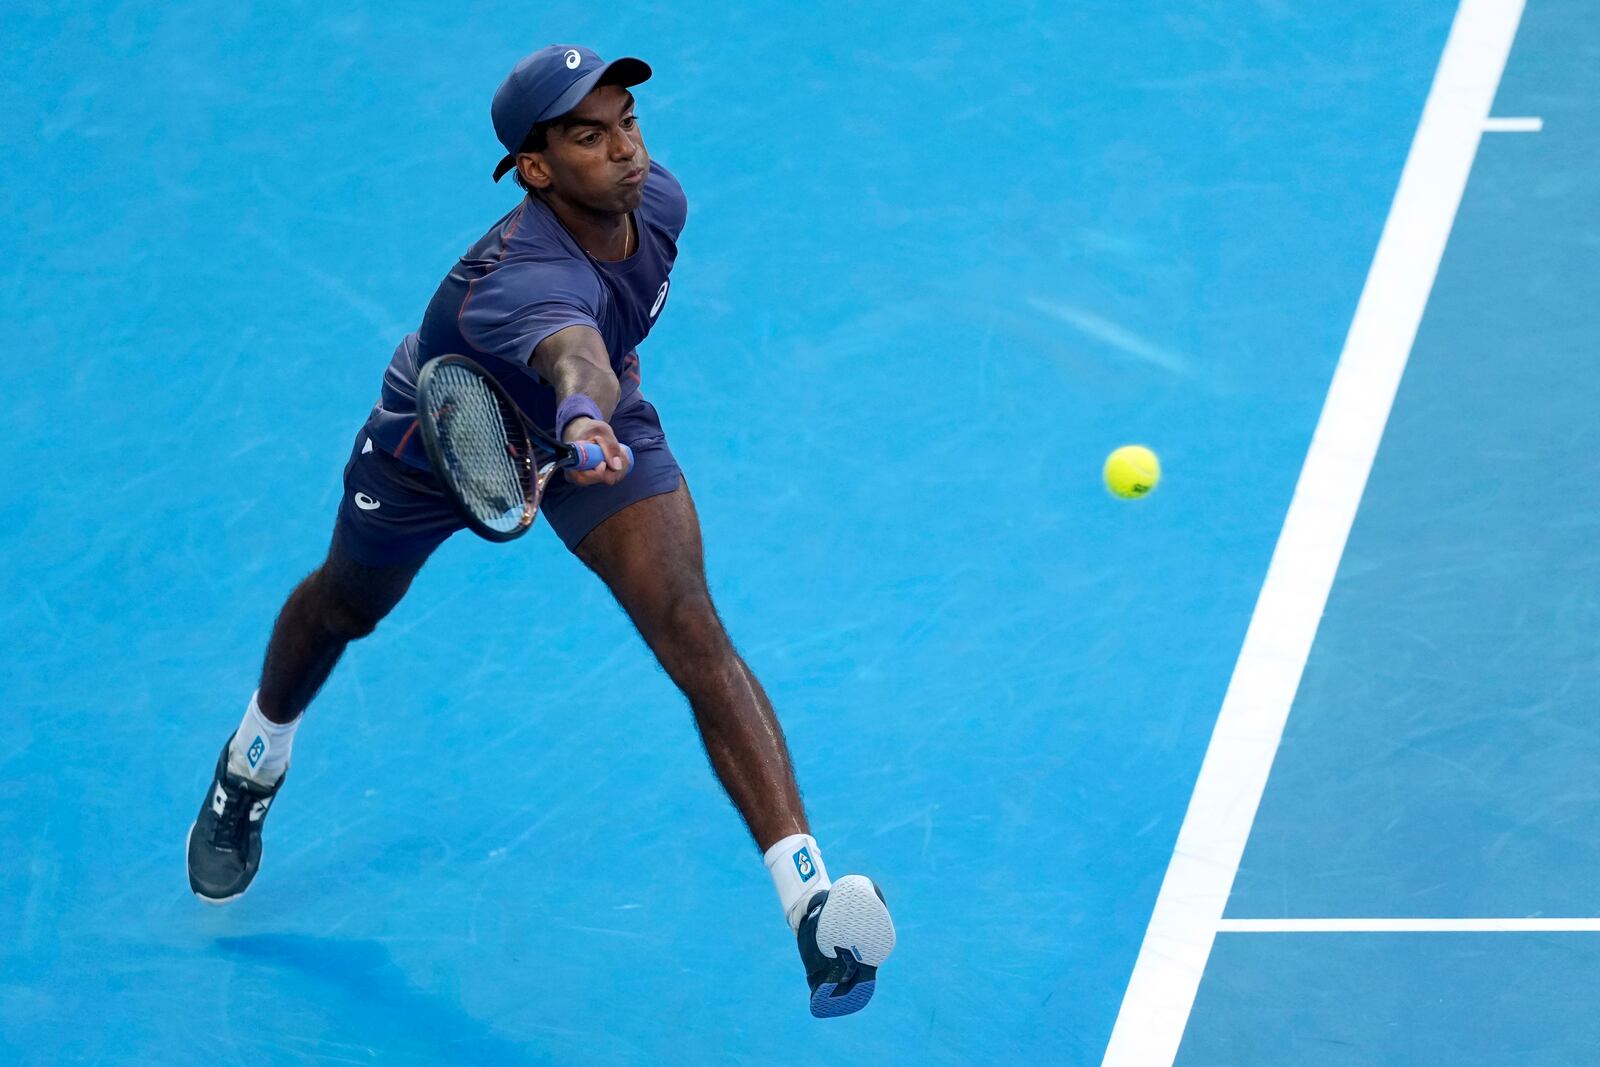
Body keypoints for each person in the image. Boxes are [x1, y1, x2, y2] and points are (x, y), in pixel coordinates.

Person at [184, 44, 896, 1018]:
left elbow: (608, 354)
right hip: (440, 443)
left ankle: (809, 903)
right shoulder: (516, 278)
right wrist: (582, 412)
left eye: (628, 122)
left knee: (691, 623)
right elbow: (574, 354)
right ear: (535, 168)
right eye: (586, 136)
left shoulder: (662, 205)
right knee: (346, 606)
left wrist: (592, 427)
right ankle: (255, 754)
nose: (624, 150)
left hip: (587, 441)